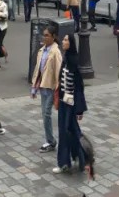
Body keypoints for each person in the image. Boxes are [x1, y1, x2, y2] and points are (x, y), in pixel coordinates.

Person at [53, 34, 90, 176]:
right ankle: (81, 158)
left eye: (66, 40)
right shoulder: (66, 58)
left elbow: (79, 86)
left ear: (71, 43)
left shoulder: (74, 61)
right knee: (71, 132)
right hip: (63, 102)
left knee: (66, 132)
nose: (63, 41)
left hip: (71, 104)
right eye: (63, 39)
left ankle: (65, 163)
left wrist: (79, 109)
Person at [31, 24, 62, 153]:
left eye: (47, 35)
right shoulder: (42, 50)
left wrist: (58, 88)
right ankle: (50, 141)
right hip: (43, 86)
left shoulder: (55, 52)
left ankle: (50, 141)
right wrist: (34, 87)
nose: (44, 37)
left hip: (51, 87)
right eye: (44, 35)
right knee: (45, 114)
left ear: (53, 37)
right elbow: (38, 70)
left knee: (46, 114)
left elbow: (58, 71)